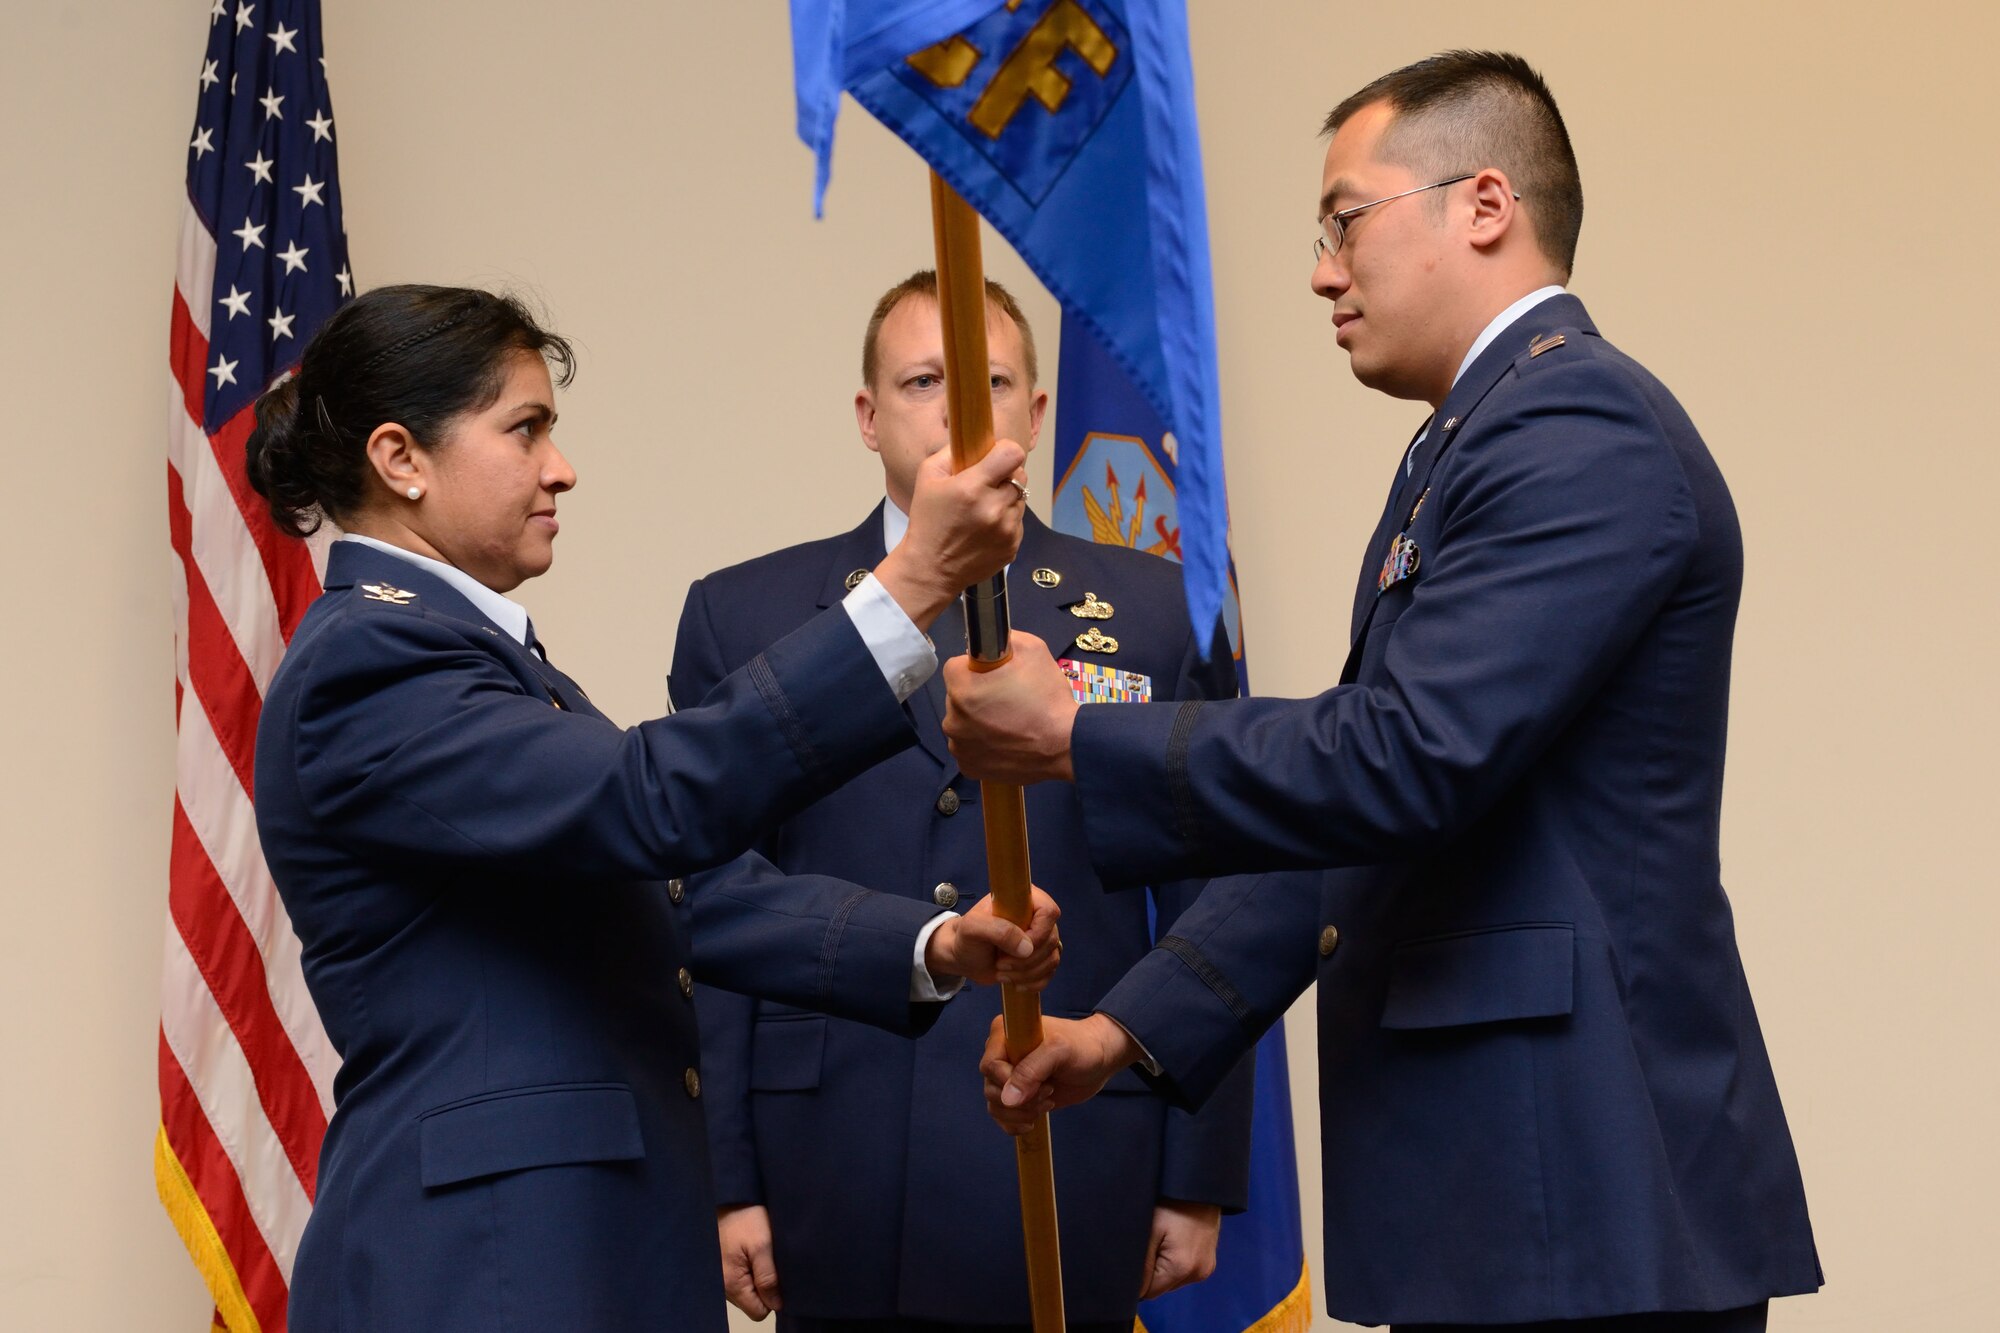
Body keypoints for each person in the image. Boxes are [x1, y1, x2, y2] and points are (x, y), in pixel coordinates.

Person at [947, 51, 1821, 1333]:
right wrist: (1129, 1033)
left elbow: (1404, 758)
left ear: (1480, 205)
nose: (1318, 269)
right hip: (1511, 1198)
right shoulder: (1473, 442)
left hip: (1581, 1188)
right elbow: (1363, 828)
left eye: (1343, 219)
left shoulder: (1578, 427)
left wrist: (1079, 733)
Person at [246, 283, 1060, 1333]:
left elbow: (667, 891)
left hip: (576, 1250)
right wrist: (908, 586)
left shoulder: (470, 657)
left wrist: (933, 942)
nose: (561, 467)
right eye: (525, 428)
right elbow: (651, 802)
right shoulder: (370, 662)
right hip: (488, 1269)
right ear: (401, 459)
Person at [668, 271, 1254, 1333]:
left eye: (990, 381)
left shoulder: (1164, 612)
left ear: (1034, 413)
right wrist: (725, 1175)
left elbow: (1221, 897)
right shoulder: (741, 612)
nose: (959, 408)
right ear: (867, 416)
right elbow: (712, 898)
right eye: (924, 380)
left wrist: (1196, 1164)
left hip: (1076, 1131)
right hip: (823, 1147)